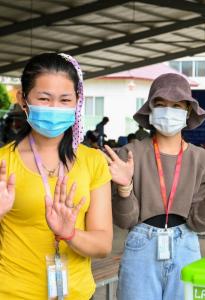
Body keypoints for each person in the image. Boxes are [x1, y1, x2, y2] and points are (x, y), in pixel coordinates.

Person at [104, 73, 205, 300]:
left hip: (186, 243)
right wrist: (124, 188)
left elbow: (200, 223)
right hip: (140, 246)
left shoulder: (202, 159)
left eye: (176, 105)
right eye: (160, 104)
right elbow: (125, 220)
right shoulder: (130, 154)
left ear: (187, 112)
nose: (168, 110)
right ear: (150, 109)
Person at [0, 53, 112, 299]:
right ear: (23, 99)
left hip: (78, 293)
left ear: (77, 102)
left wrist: (70, 234)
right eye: (44, 98)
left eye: (64, 100)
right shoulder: (3, 164)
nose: (54, 108)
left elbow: (103, 245)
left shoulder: (93, 161)